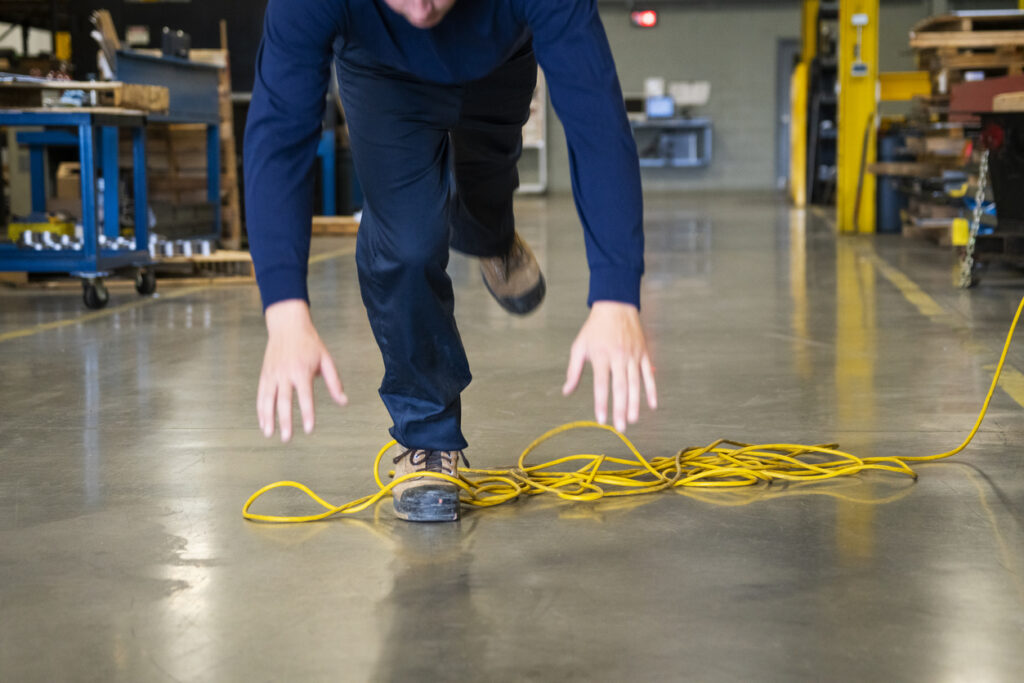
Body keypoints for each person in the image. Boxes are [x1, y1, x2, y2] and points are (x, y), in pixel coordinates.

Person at [245, 0, 658, 522]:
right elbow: (279, 135)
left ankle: (490, 237)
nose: (420, 8)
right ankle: (428, 439)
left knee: (483, 201)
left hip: (497, 66)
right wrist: (284, 311)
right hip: (382, 75)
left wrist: (617, 296)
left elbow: (596, 122)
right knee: (407, 244)